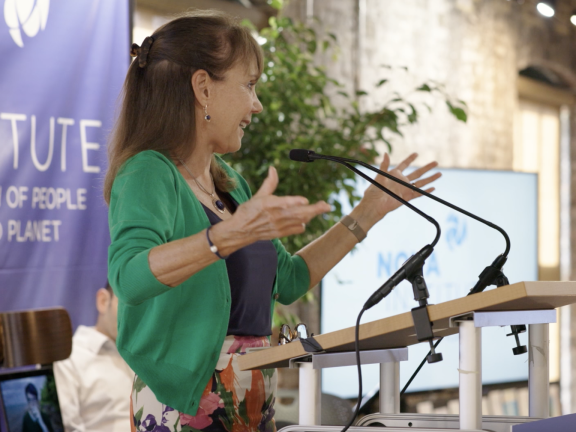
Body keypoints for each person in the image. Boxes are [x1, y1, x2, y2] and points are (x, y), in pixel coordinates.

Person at [104, 10, 440, 432]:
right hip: (187, 406)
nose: (256, 104)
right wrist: (224, 237)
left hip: (252, 398)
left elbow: (291, 279)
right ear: (203, 88)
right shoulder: (148, 172)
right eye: (249, 85)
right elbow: (129, 277)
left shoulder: (229, 182)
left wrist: (368, 210)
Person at [53, 282, 133, 432]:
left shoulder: (151, 355)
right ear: (103, 301)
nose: (136, 319)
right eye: (129, 306)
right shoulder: (67, 358)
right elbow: (67, 428)